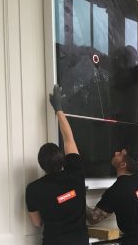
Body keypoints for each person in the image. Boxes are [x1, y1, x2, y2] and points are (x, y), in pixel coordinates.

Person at [25, 85, 89, 245]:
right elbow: (69, 139)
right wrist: (58, 108)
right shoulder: (75, 174)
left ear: (41, 165)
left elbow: (37, 223)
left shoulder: (33, 189)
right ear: (62, 158)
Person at [86, 148, 138, 245]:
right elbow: (132, 199)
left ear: (123, 165)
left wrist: (78, 198)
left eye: (120, 154)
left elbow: (94, 218)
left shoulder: (117, 190)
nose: (116, 152)